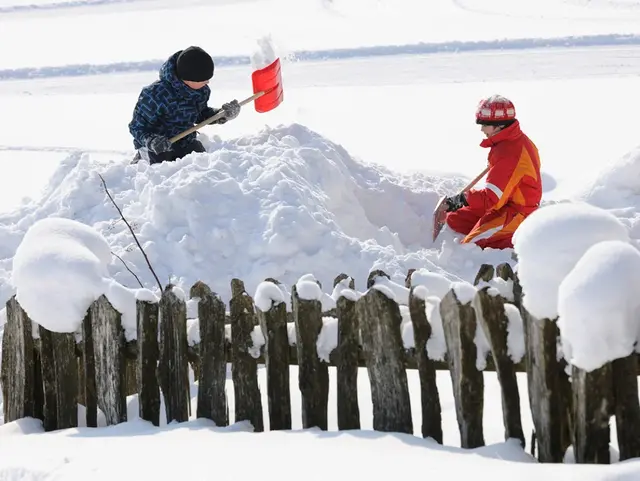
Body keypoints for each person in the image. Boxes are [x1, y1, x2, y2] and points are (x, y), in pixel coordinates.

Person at [443, 95, 542, 250]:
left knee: (471, 246)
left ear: (499, 125)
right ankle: (491, 231)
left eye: (484, 124)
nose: (481, 129)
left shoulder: (509, 153)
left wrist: (464, 198)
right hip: (505, 203)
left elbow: (492, 199)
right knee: (455, 219)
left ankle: (521, 238)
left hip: (517, 212)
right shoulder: (511, 141)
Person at [128, 46, 241, 164]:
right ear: (188, 79)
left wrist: (221, 114)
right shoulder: (155, 95)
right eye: (203, 80)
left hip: (185, 141)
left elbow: (200, 114)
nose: (207, 82)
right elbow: (137, 127)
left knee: (202, 163)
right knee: (161, 168)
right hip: (157, 147)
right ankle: (140, 160)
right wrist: (151, 141)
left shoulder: (202, 91)